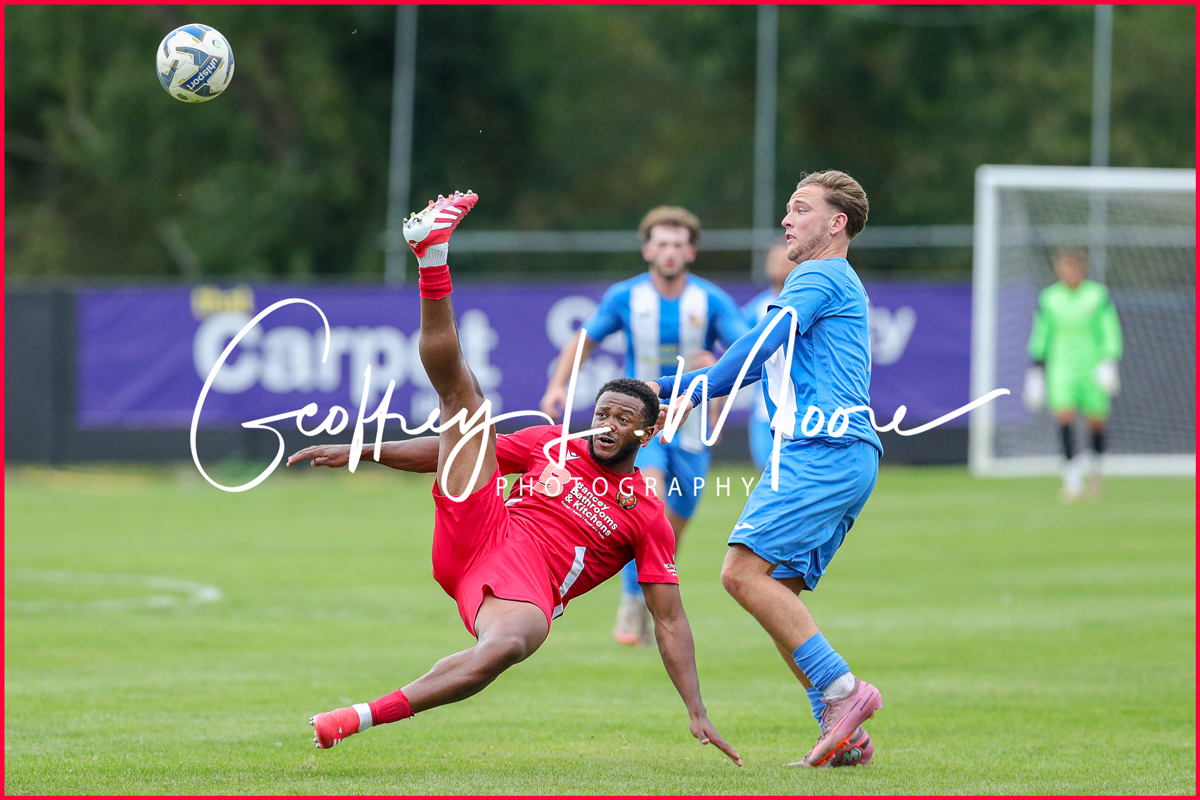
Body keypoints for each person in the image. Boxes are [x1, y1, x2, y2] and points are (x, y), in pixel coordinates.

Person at [291, 191, 740, 766]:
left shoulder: (645, 512)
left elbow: (671, 620)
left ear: (645, 435)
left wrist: (696, 710)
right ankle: (432, 258)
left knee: (506, 648)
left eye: (623, 420)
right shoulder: (550, 442)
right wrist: (365, 448)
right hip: (480, 531)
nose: (606, 426)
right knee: (466, 403)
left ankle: (354, 718)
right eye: (602, 413)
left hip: (528, 590)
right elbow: (457, 451)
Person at [646, 171, 882, 768]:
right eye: (787, 209)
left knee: (740, 573)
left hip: (820, 453)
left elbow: (756, 345)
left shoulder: (819, 274)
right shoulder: (832, 280)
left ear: (836, 224)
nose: (786, 220)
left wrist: (670, 390)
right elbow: (757, 361)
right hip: (843, 456)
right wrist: (677, 389)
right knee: (776, 591)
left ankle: (847, 693)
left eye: (800, 209)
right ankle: (843, 731)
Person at [540, 206, 750, 648]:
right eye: (662, 242)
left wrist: (713, 366)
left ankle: (644, 599)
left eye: (678, 243)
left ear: (690, 250)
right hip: (642, 422)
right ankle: (633, 605)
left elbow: (746, 350)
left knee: (671, 528)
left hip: (691, 426)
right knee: (645, 501)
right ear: (647, 249)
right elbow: (584, 341)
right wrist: (558, 385)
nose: (670, 251)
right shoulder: (626, 297)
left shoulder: (710, 300)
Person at [1022, 251, 1123, 501]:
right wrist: (1036, 369)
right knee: (1064, 416)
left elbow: (1109, 329)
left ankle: (1096, 473)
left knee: (1095, 421)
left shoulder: (1097, 296)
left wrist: (1109, 360)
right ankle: (1071, 478)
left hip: (1092, 366)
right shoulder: (1050, 298)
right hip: (1062, 367)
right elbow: (1041, 333)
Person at [741, 242, 795, 470]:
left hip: (803, 409)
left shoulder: (810, 302)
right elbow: (737, 354)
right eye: (773, 260)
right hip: (765, 411)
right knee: (769, 476)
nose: (778, 265)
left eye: (785, 260)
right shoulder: (757, 307)